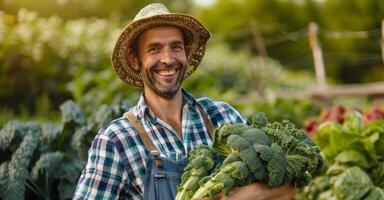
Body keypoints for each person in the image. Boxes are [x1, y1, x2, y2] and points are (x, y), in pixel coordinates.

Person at [73, 3, 296, 200]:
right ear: (135, 60)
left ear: (187, 53)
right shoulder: (116, 141)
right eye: (154, 49)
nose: (168, 60)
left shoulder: (223, 117)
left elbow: (287, 185)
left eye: (176, 47)